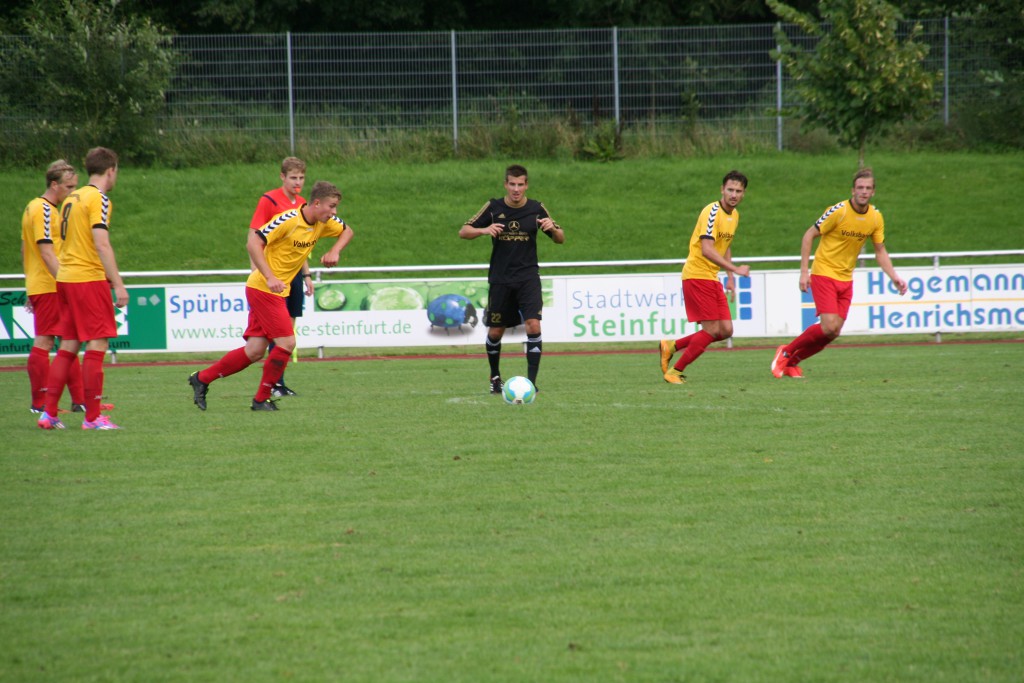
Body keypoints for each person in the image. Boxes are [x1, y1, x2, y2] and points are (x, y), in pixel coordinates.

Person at [189, 180, 354, 411]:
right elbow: (253, 242)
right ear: (317, 203)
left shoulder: (323, 222)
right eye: (332, 206)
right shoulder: (288, 220)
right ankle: (260, 400)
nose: (335, 212)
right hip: (263, 288)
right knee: (287, 342)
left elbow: (348, 230)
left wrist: (334, 250)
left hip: (276, 289)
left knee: (255, 350)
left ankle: (202, 379)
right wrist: (269, 276)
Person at [771, 167, 908, 378]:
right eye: (860, 187)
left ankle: (792, 363)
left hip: (846, 279)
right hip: (824, 273)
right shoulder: (839, 211)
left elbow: (880, 251)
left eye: (868, 188)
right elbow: (809, 235)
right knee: (828, 326)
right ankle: (786, 351)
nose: (863, 191)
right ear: (852, 190)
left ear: (873, 192)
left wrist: (894, 277)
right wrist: (804, 272)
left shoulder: (875, 218)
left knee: (833, 332)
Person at [37, 147, 128, 430]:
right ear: (110, 170)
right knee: (98, 343)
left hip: (66, 278)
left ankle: (49, 414)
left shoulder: (71, 198)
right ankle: (92, 417)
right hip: (87, 278)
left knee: (69, 344)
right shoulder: (98, 198)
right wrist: (118, 283)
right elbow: (101, 243)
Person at [459, 164, 565, 394]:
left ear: (526, 185)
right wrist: (484, 230)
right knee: (496, 331)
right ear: (506, 184)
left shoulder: (536, 208)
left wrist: (553, 229)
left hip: (528, 278)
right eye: (512, 184)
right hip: (500, 279)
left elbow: (560, 239)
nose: (516, 189)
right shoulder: (493, 207)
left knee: (533, 325)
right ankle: (495, 377)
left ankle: (531, 383)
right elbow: (464, 231)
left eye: (521, 184)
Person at [660, 170, 751, 384]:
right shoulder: (712, 211)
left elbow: (725, 246)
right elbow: (707, 250)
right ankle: (675, 371)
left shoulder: (734, 216)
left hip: (712, 277)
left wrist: (729, 276)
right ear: (722, 189)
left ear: (744, 193)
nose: (734, 195)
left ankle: (671, 346)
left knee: (726, 330)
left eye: (738, 191)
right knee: (711, 330)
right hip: (697, 274)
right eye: (730, 190)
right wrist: (736, 269)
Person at [250, 156, 310, 398]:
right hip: (272, 274)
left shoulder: (304, 203)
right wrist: (257, 270)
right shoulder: (269, 200)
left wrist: (306, 274)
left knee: (289, 330)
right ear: (282, 177)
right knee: (277, 332)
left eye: (301, 178)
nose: (298, 182)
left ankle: (279, 383)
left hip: (294, 274)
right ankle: (274, 384)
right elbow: (254, 236)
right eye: (293, 177)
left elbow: (302, 244)